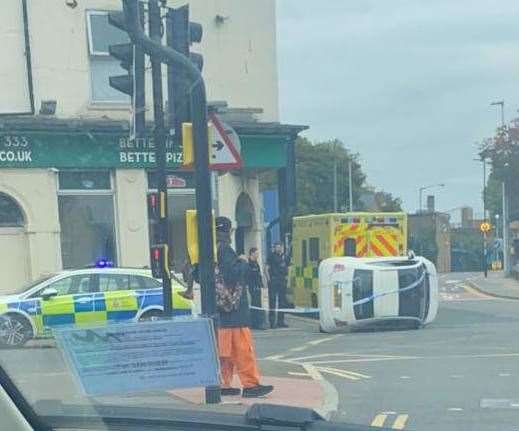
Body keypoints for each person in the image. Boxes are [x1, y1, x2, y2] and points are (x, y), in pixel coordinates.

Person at [215, 216, 274, 398]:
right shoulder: (226, 250)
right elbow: (233, 275)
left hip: (221, 311)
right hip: (235, 311)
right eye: (231, 231)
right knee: (243, 350)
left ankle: (223, 384)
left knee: (224, 353)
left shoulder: (210, 249)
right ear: (228, 232)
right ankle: (251, 385)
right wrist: (242, 261)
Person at [266, 241, 289, 328]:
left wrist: (287, 278)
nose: (278, 248)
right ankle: (272, 322)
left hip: (282, 280)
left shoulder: (285, 256)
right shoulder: (271, 256)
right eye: (276, 247)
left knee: (282, 301)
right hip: (274, 280)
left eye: (279, 247)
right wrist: (269, 279)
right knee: (272, 301)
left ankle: (281, 321)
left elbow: (287, 267)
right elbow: (266, 268)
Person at [247, 247, 268, 330]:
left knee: (258, 305)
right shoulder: (248, 263)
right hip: (252, 287)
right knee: (253, 305)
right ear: (252, 253)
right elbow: (248, 276)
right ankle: (252, 323)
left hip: (258, 287)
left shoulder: (256, 263)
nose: (258, 255)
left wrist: (262, 284)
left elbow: (259, 275)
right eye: (256, 253)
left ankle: (258, 323)